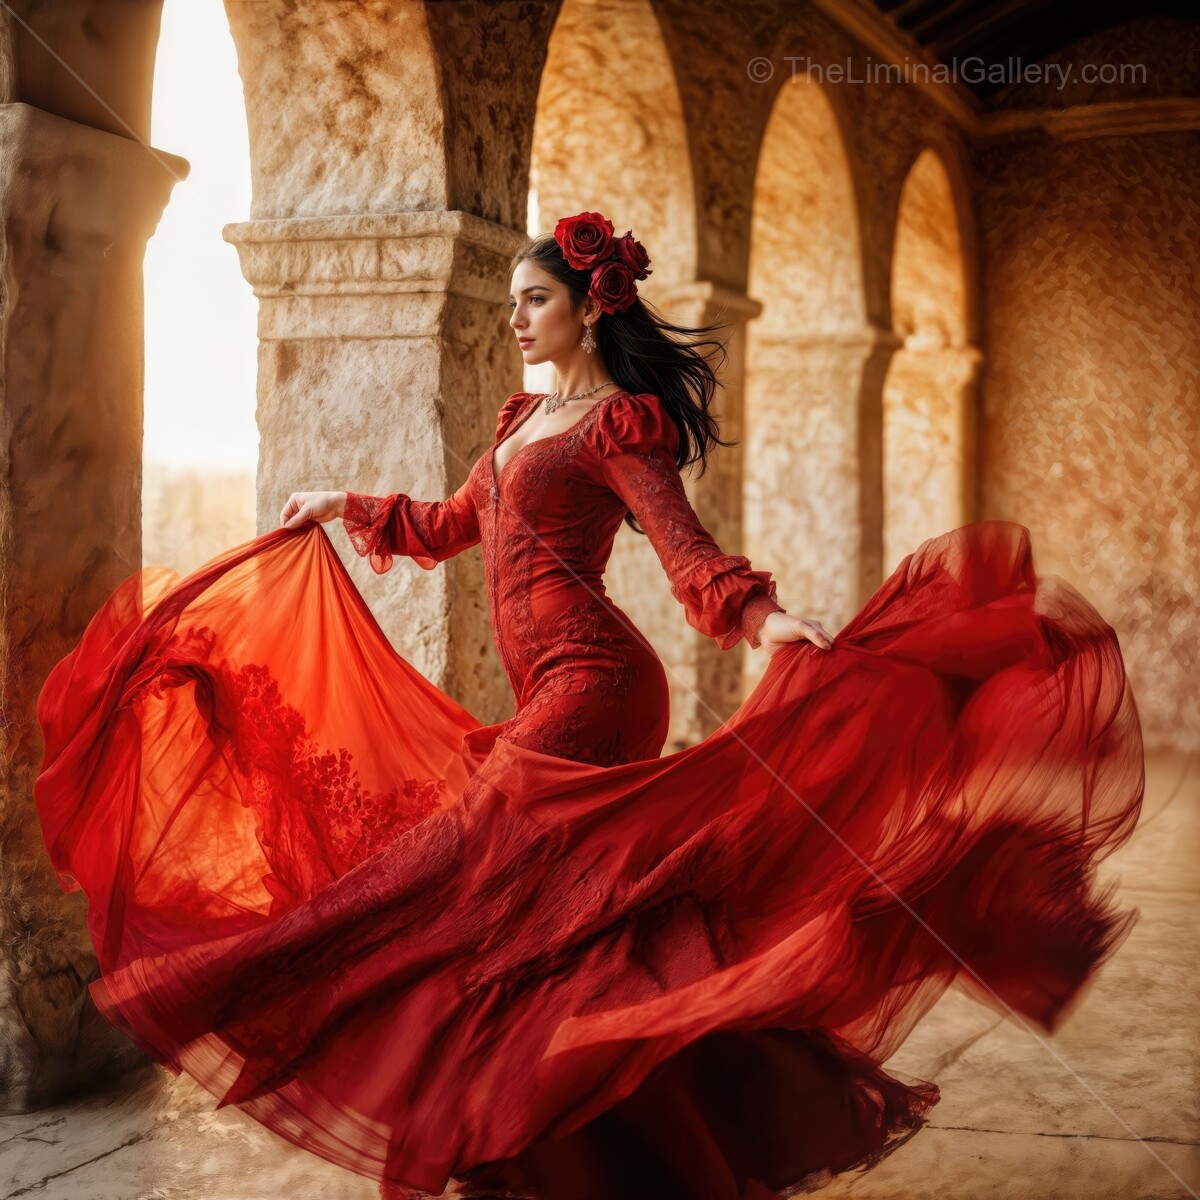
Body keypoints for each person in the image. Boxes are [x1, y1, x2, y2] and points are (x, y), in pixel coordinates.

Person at [35, 212, 1145, 1200]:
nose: (517, 318)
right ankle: (575, 1148)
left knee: (443, 874)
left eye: (535, 301)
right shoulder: (522, 422)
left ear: (587, 309)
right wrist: (344, 504)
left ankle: (244, 988)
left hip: (598, 687)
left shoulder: (621, 427)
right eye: (515, 300)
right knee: (557, 923)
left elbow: (681, 548)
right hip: (556, 688)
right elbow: (447, 526)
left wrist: (762, 620)